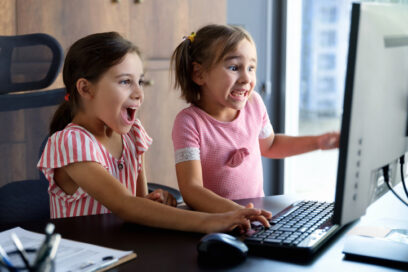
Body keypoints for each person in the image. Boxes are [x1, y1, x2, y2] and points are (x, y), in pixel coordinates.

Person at [37, 31, 262, 233]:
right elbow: (126, 205)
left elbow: (139, 201)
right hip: (84, 258)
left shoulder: (132, 133)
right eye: (125, 82)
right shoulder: (70, 142)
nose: (139, 94)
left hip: (125, 249)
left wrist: (156, 200)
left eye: (141, 82)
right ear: (86, 88)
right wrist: (211, 222)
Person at [171, 24, 340, 224]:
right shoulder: (189, 122)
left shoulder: (254, 104)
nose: (246, 78)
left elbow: (271, 144)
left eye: (251, 68)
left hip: (254, 219)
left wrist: (317, 142)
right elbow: (192, 189)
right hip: (216, 225)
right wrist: (236, 212)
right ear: (199, 74)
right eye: (234, 68)